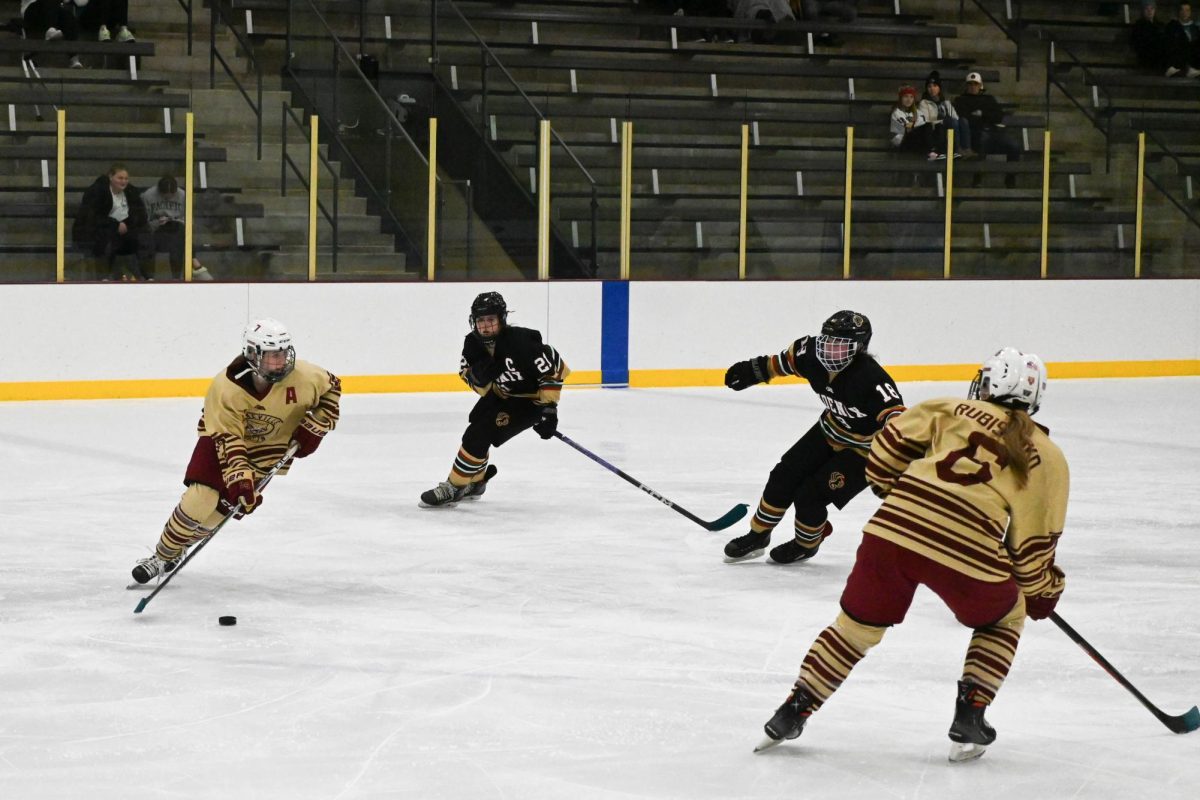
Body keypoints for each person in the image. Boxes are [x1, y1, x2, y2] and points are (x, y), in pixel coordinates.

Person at [756, 347, 1069, 763]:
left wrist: (894, 489)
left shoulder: (948, 406)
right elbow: (1032, 546)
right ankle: (970, 715)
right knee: (1004, 618)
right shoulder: (1048, 456)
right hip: (968, 549)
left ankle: (792, 710)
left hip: (892, 531)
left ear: (988, 382)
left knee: (854, 629)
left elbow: (886, 448)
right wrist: (1041, 592)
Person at [131, 318, 341, 584]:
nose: (280, 362)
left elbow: (333, 388)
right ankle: (162, 556)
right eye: (271, 356)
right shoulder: (226, 387)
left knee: (220, 513)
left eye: (283, 354)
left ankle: (179, 548)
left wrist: (317, 425)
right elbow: (228, 438)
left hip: (269, 451)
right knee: (201, 499)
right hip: (220, 440)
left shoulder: (307, 376)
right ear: (252, 354)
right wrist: (240, 480)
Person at [721, 311, 905, 565]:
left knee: (810, 496)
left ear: (859, 349)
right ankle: (758, 536)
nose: (830, 352)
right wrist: (753, 371)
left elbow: (897, 418)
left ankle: (806, 544)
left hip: (866, 450)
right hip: (829, 430)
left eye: (840, 347)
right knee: (783, 475)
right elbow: (780, 363)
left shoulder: (872, 379)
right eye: (827, 343)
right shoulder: (809, 354)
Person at [420, 291, 570, 507]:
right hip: (501, 397)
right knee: (475, 429)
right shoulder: (473, 344)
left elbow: (555, 368)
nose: (485, 326)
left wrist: (549, 409)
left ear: (501, 319)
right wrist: (480, 380)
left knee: (480, 433)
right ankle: (477, 481)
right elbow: (465, 373)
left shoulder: (521, 341)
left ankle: (454, 487)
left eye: (491, 319)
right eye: (480, 320)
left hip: (529, 402)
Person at [71, 163, 153, 280]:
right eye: (120, 178)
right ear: (110, 177)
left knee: (144, 238)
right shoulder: (96, 192)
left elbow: (140, 214)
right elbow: (91, 217)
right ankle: (104, 276)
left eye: (126, 178)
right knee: (107, 239)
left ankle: (148, 276)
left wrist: (126, 224)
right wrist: (115, 225)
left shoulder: (132, 192)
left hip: (125, 230)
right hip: (99, 231)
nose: (123, 181)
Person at [140, 174, 213, 281]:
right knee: (146, 238)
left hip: (176, 229)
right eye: (165, 195)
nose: (168, 197)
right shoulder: (147, 196)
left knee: (181, 235)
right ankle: (195, 265)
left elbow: (189, 220)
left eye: (171, 195)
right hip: (156, 230)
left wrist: (176, 220)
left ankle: (177, 276)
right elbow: (144, 221)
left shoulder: (183, 195)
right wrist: (157, 222)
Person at [954, 72, 1022, 187]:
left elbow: (999, 117)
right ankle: (977, 177)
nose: (972, 86)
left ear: (980, 85)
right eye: (970, 84)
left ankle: (1010, 178)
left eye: (975, 84)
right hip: (974, 135)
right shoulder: (961, 100)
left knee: (1014, 145)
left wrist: (982, 114)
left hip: (993, 133)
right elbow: (964, 118)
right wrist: (985, 117)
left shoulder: (988, 99)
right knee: (982, 139)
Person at [919, 70, 972, 158]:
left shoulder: (946, 102)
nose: (932, 89)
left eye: (935, 86)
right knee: (952, 121)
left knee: (963, 121)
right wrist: (943, 120)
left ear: (939, 88)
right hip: (936, 130)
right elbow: (927, 121)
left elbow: (955, 117)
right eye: (929, 86)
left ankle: (967, 148)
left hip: (949, 126)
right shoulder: (924, 103)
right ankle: (956, 148)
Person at [20, 0, 83, 68]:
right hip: (32, 10)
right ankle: (50, 30)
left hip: (53, 10)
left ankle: (73, 57)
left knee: (68, 16)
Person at [889, 85, 939, 160]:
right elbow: (907, 129)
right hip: (903, 142)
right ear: (901, 98)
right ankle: (930, 152)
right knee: (923, 128)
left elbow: (921, 126)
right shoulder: (897, 113)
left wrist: (913, 122)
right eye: (905, 96)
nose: (909, 100)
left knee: (933, 126)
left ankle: (933, 152)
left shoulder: (918, 112)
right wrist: (914, 122)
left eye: (911, 97)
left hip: (917, 141)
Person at [1164, 1, 1200, 77]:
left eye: (1187, 10)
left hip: (1193, 55)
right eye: (1182, 10)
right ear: (1179, 12)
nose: (1184, 13)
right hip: (1178, 54)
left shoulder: (1194, 28)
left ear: (1190, 12)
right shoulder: (1172, 26)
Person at [1131, 1, 1167, 74]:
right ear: (1143, 11)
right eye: (1147, 9)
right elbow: (1136, 43)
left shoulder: (1160, 25)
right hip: (1145, 58)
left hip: (1159, 58)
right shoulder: (1138, 26)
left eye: (1152, 9)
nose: (1149, 11)